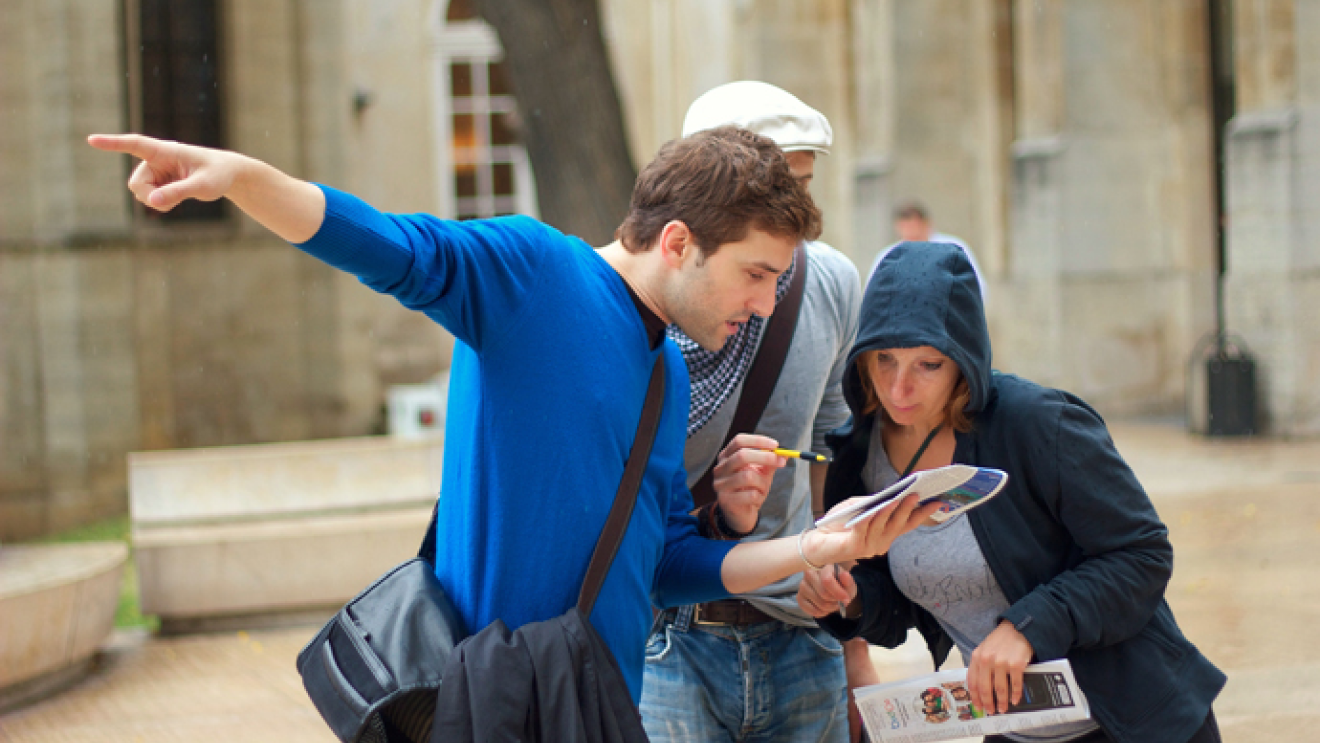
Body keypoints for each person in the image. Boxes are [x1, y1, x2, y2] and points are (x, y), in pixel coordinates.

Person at [87, 127, 938, 706]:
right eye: (756, 274)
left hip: (597, 708)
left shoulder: (668, 374)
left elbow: (666, 564)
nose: (764, 304)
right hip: (486, 700)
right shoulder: (532, 271)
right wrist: (242, 179)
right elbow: (393, 247)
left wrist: (814, 547)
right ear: (678, 241)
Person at [797, 242, 1225, 743]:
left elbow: (1142, 556)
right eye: (884, 359)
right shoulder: (859, 451)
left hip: (1139, 721)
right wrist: (848, 600)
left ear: (964, 358)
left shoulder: (1040, 424)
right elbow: (910, 594)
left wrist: (1026, 627)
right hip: (1014, 727)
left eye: (928, 364)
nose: (898, 389)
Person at [639, 81, 862, 743]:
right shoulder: (646, 307)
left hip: (799, 631)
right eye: (772, 189)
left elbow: (830, 455)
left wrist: (853, 645)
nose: (790, 213)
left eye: (801, 186)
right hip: (667, 635)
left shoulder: (830, 283)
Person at [868, 201, 988, 301]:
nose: (909, 234)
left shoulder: (953, 249)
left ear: (926, 224)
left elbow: (978, 289)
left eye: (913, 227)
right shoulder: (887, 256)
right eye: (904, 228)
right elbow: (872, 295)